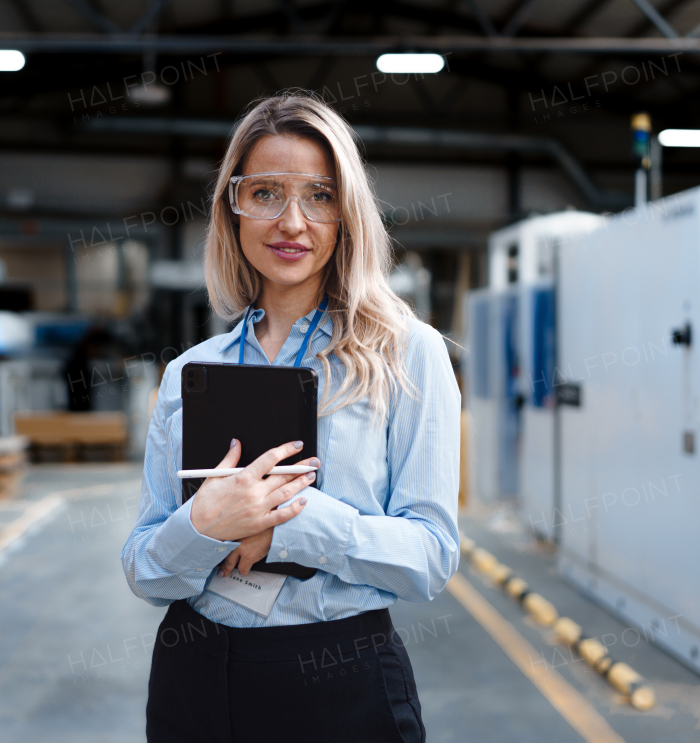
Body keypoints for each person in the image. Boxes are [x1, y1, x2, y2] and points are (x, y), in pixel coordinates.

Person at [121, 91, 461, 743]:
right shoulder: (189, 372)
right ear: (234, 207)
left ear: (348, 215)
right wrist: (204, 525)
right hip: (194, 670)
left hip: (338, 677)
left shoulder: (407, 354)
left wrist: (286, 527)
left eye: (320, 196)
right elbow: (144, 567)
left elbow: (430, 557)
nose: (292, 221)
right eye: (266, 193)